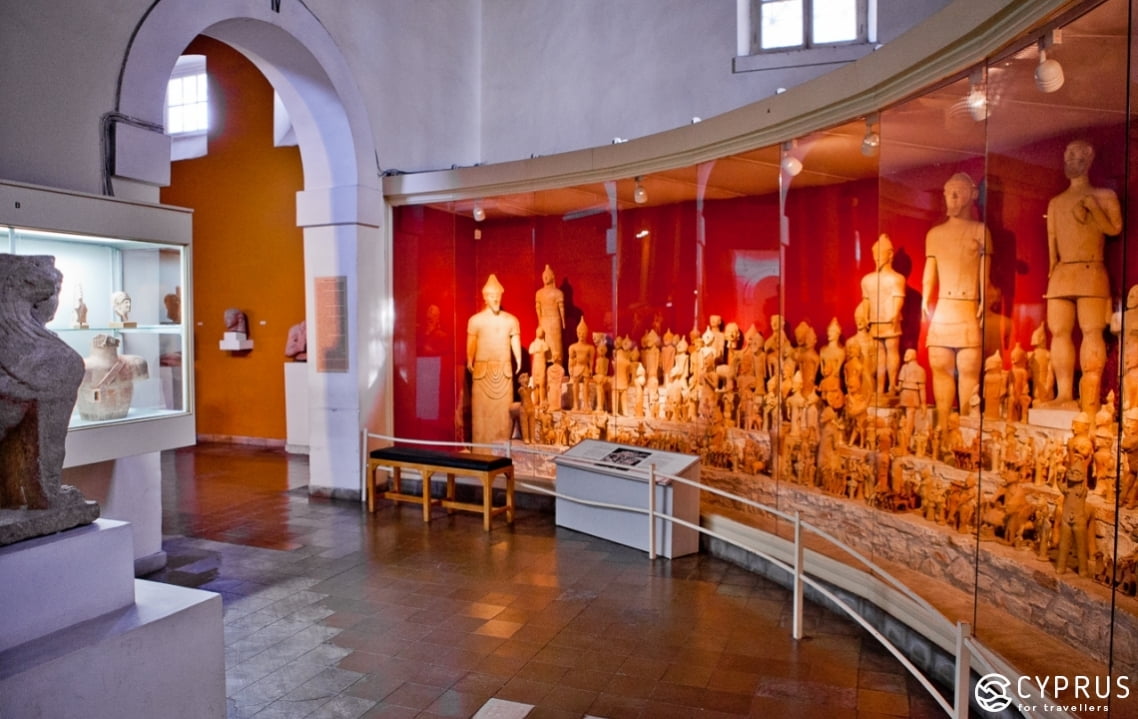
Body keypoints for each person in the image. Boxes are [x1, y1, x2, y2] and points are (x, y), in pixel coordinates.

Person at [1046, 140, 1122, 415]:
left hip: (1091, 269)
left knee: (1091, 331)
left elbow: (1114, 229)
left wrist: (1093, 208)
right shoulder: (1055, 203)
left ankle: (1089, 396)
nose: (1071, 158)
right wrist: (1052, 268)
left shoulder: (1104, 196)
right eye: (1067, 153)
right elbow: (1052, 244)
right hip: (1063, 272)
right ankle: (1064, 393)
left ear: (1089, 159)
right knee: (1059, 331)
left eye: (1077, 154)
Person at [921, 172, 991, 431]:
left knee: (968, 368)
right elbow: (930, 271)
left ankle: (965, 426)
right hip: (943, 308)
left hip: (967, 306)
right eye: (947, 192)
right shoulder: (935, 234)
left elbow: (985, 269)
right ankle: (941, 427)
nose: (951, 197)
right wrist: (926, 299)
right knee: (939, 365)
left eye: (957, 191)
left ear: (972, 195)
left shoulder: (980, 230)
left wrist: (983, 299)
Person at [467, 274, 522, 444]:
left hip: (503, 372)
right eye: (492, 296)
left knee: (502, 414)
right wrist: (469, 359)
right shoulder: (475, 321)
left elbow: (515, 341)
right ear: (485, 298)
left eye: (498, 295)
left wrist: (518, 360)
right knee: (481, 414)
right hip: (483, 372)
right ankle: (481, 449)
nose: (496, 299)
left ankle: (501, 451)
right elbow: (472, 342)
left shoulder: (511, 320)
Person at [860, 234, 906, 395]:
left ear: (890, 254)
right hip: (875, 321)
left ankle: (892, 386)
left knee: (892, 350)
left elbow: (898, 298)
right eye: (875, 253)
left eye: (880, 253)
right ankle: (880, 389)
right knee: (879, 355)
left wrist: (894, 313)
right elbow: (866, 299)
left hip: (890, 320)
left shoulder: (897, 279)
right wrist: (866, 315)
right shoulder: (867, 280)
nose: (876, 257)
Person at [534, 264, 566, 364]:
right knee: (545, 343)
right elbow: (538, 309)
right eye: (544, 276)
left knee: (556, 343)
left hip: (555, 320)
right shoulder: (539, 293)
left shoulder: (558, 293)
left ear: (552, 277)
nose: (545, 278)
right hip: (544, 321)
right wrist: (540, 321)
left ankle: (558, 364)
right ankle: (544, 365)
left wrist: (563, 322)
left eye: (547, 276)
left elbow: (561, 309)